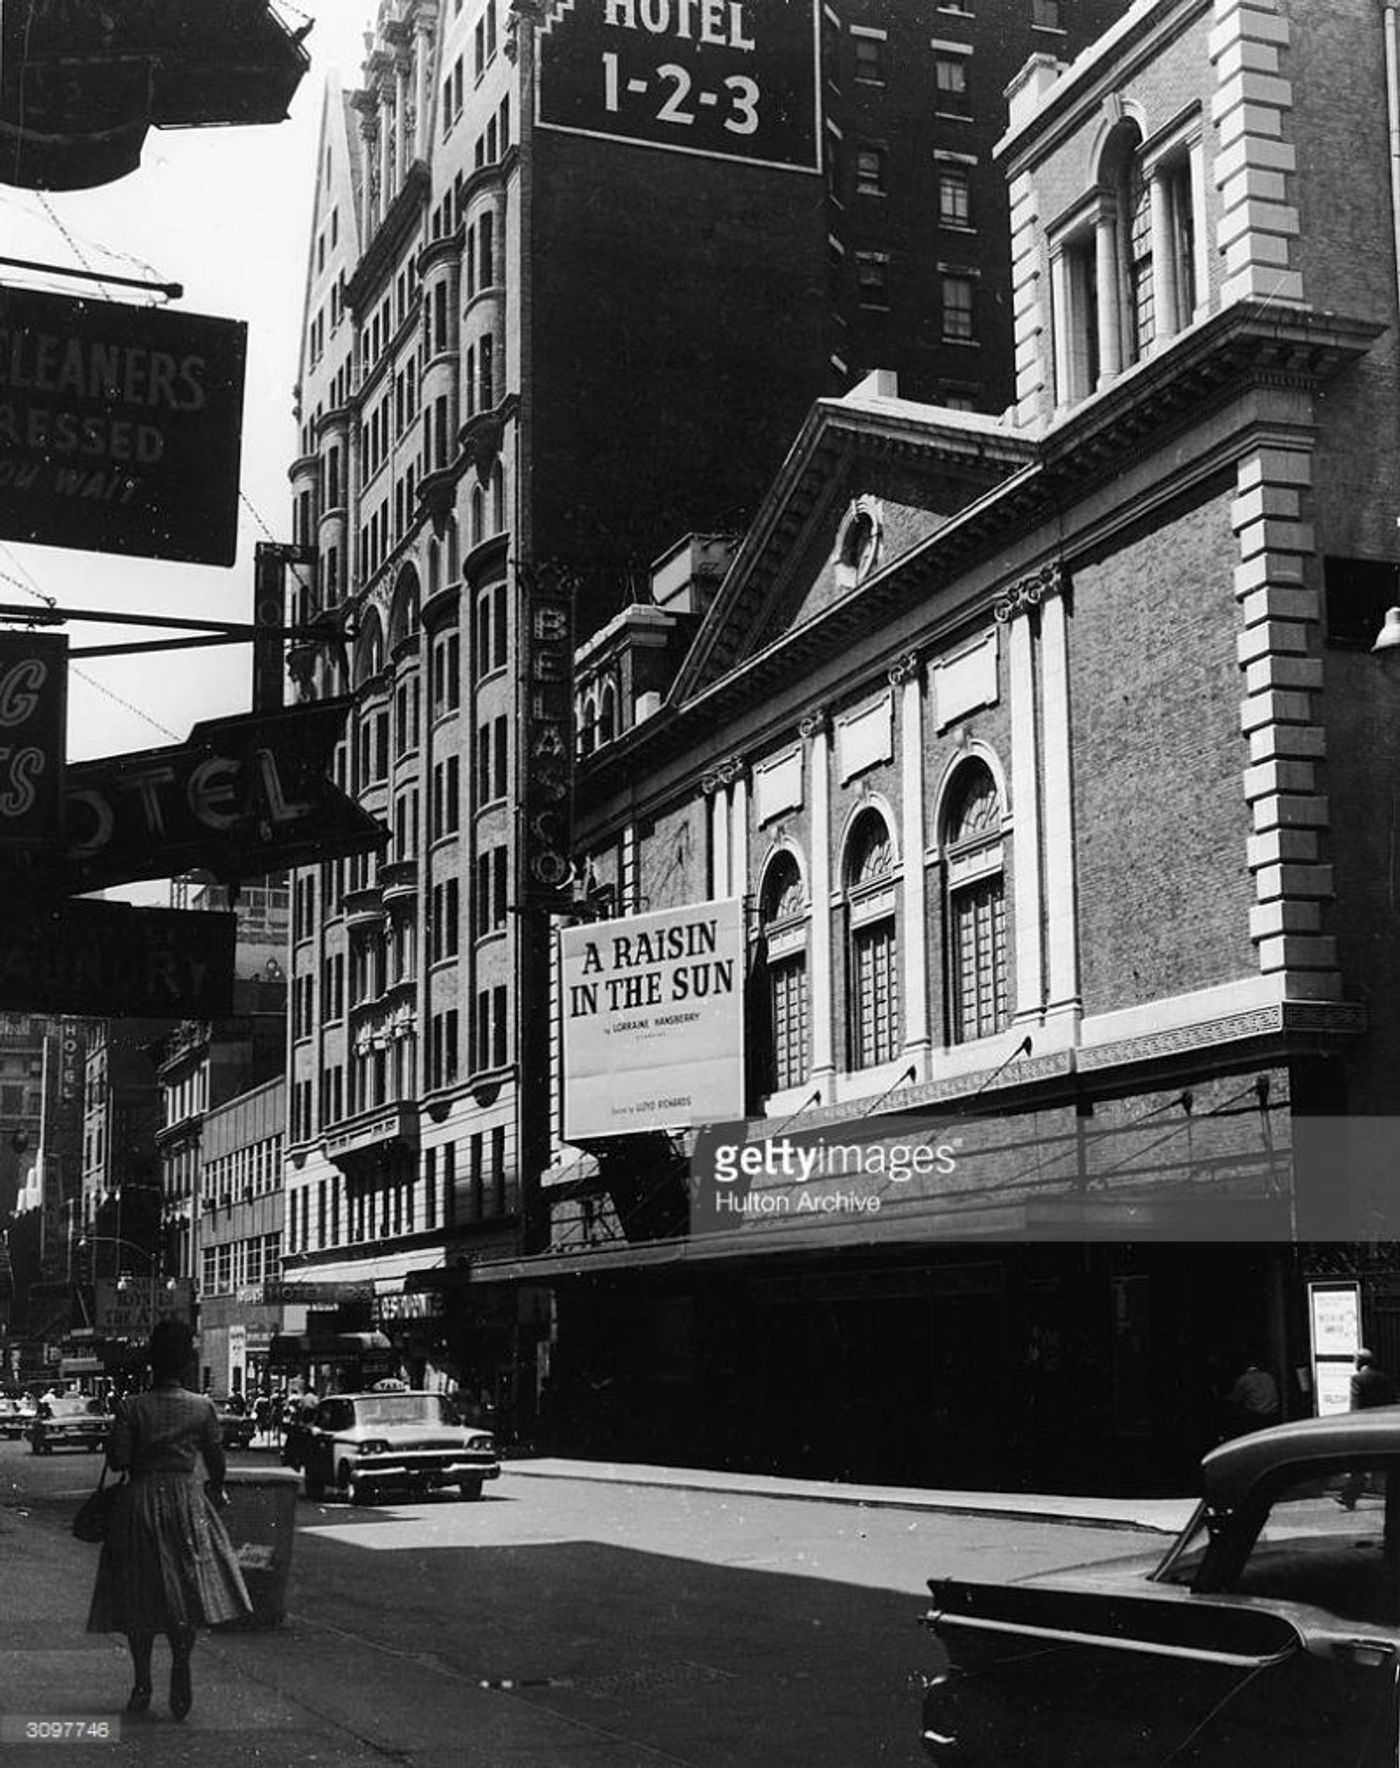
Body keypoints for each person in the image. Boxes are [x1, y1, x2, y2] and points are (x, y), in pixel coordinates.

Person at [86, 1319, 251, 1720]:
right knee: (185, 1590)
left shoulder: (132, 1406)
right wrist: (215, 1488)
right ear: (186, 1361)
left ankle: (142, 1680)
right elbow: (217, 1464)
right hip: (185, 1501)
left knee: (138, 1593)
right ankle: (181, 1664)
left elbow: (119, 1460)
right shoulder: (202, 1407)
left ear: (151, 1361)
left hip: (138, 1503)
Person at [1338, 1349, 1398, 1508]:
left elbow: (1355, 1405)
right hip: (1384, 1425)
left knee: (1359, 1464)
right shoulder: (1385, 1379)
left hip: (1364, 1426)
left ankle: (1349, 1496)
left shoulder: (1357, 1379)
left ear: (1359, 1361)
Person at [1222, 1352, 1279, 1438]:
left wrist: (1222, 1398)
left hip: (1256, 1415)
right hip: (1272, 1413)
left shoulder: (1244, 1379)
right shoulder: (1268, 1376)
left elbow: (1235, 1398)